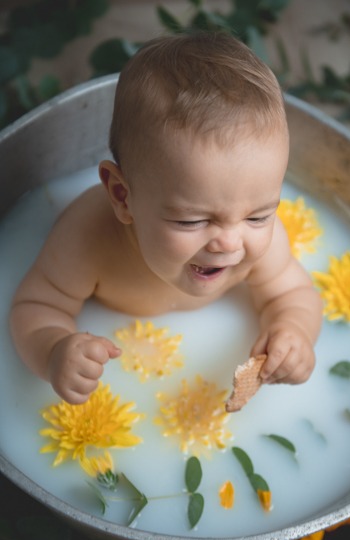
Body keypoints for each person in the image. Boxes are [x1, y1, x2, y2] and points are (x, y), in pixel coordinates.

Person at [9, 31, 322, 405]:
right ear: (122, 196)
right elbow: (36, 307)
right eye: (192, 221)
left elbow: (294, 293)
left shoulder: (258, 247)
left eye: (259, 215)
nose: (229, 242)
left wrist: (294, 332)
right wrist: (53, 351)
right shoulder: (87, 240)